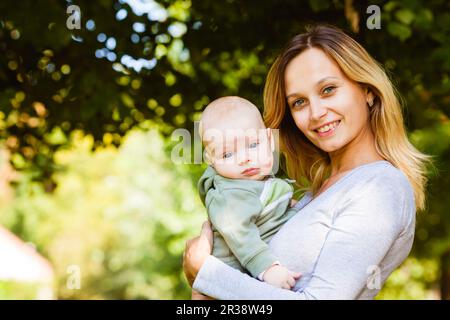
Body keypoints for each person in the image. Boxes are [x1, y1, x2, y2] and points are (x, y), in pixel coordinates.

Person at [183, 24, 430, 299]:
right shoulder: (312, 194)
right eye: (299, 102)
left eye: (328, 90)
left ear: (368, 90)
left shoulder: (380, 187)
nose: (316, 113)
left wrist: (204, 272)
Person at [197, 96, 301, 290]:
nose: (245, 158)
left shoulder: (258, 183)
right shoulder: (230, 194)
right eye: (228, 154)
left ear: (270, 140)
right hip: (232, 278)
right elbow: (239, 232)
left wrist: (294, 209)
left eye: (253, 145)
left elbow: (270, 213)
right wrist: (267, 267)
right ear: (211, 160)